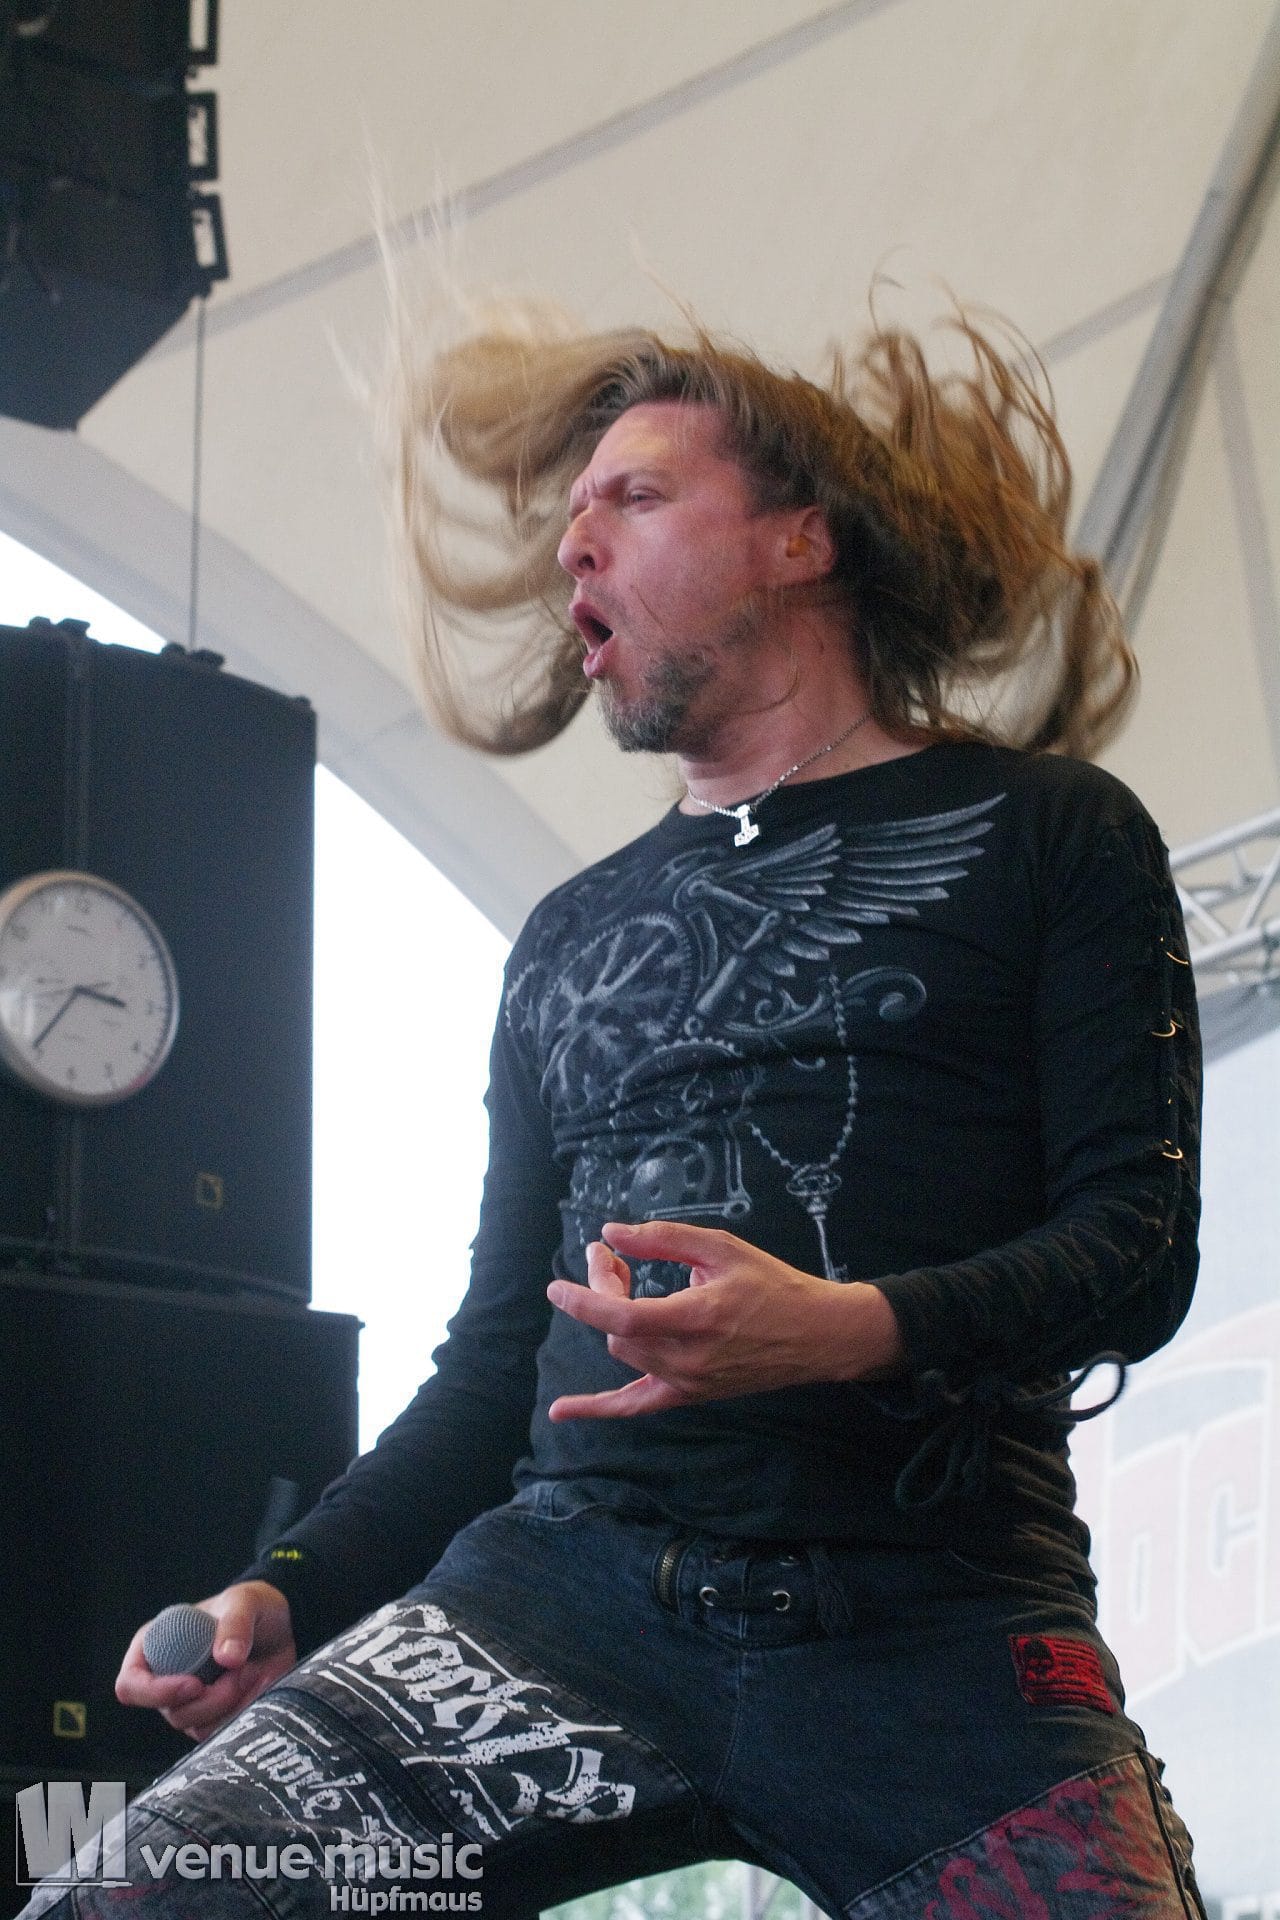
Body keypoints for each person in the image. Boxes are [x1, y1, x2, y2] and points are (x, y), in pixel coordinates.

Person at [25, 306, 1205, 1917]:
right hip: (560, 1599)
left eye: (636, 497)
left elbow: (1136, 1249)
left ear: (801, 538)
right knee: (119, 1902)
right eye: (572, 514)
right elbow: (494, 1363)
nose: (574, 542)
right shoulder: (565, 937)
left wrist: (846, 1328)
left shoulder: (1051, 832)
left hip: (936, 1617)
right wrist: (292, 1588)